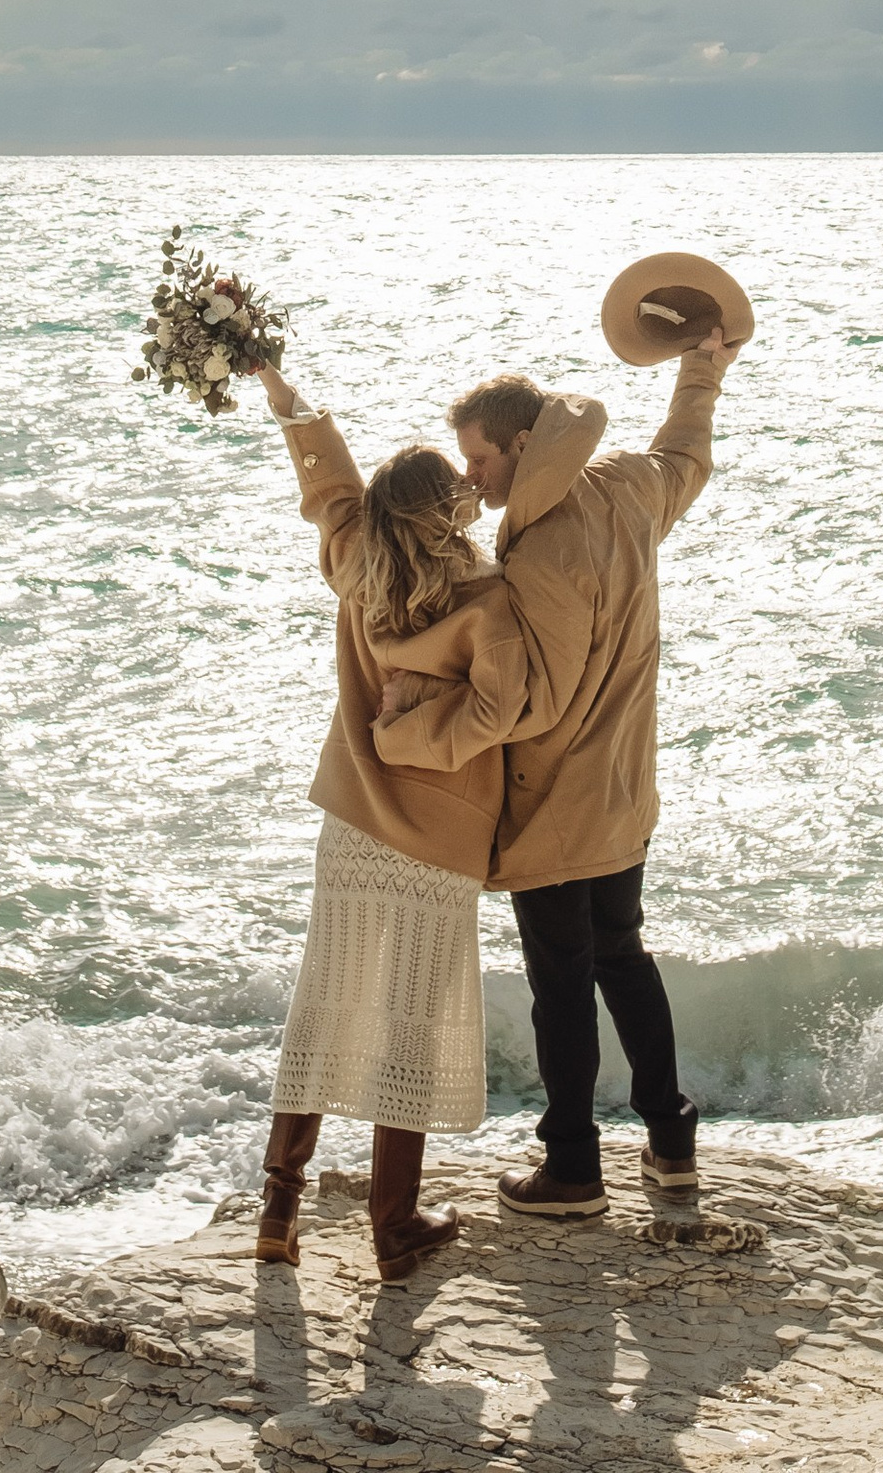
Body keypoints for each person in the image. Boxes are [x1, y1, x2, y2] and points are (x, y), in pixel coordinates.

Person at [372, 324, 734, 1221]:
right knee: (626, 955)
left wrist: (406, 735)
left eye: (480, 460)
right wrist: (701, 372)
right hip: (624, 784)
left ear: (522, 443)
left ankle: (572, 1166)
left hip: (554, 799)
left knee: (562, 983)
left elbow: (523, 706)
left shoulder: (539, 552)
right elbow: (684, 455)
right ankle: (671, 1144)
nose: (472, 481)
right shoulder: (628, 487)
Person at [249, 352, 546, 1282]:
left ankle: (278, 1212)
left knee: (326, 1004)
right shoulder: (488, 603)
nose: (471, 492)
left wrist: (283, 395)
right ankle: (393, 1224)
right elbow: (495, 716)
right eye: (458, 489)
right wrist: (411, 737)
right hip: (434, 840)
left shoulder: (356, 569)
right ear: (444, 516)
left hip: (350, 832)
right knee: (409, 1023)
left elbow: (329, 486)